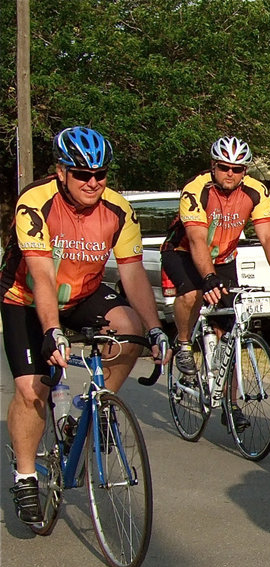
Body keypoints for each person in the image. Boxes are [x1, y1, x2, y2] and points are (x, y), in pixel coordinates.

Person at [2, 127, 169, 525]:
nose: (93, 182)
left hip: (82, 294)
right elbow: (42, 275)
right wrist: (51, 330)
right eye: (82, 174)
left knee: (129, 330)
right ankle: (25, 476)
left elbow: (132, 274)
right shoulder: (35, 203)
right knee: (32, 389)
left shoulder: (117, 210)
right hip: (27, 298)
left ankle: (94, 406)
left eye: (100, 174)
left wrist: (154, 328)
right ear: (61, 172)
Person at [161, 136, 270, 432]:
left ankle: (230, 404)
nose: (230, 174)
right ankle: (183, 344)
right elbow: (197, 239)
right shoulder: (196, 189)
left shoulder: (255, 191)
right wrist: (208, 278)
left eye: (237, 169)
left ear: (245, 170)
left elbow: (268, 236)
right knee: (193, 293)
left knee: (231, 330)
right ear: (213, 166)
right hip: (182, 252)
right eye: (224, 167)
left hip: (222, 258)